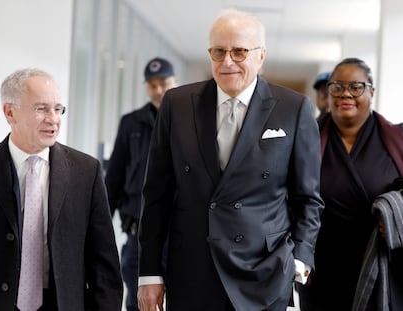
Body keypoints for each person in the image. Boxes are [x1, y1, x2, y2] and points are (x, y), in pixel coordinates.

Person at [137, 9, 324, 311]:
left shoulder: (294, 108)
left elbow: (308, 199)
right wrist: (148, 274)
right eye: (218, 51)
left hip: (265, 271)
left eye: (239, 52)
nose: (227, 62)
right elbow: (155, 195)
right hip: (192, 269)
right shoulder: (177, 104)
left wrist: (300, 260)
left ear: (261, 55)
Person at [0, 68, 123, 310]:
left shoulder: (86, 172)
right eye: (41, 109)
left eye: (58, 109)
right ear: (10, 112)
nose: (53, 119)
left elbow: (105, 267)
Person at [297, 58, 403, 311]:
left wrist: (394, 212)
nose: (346, 93)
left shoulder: (397, 139)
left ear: (371, 92)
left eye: (356, 87)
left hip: (379, 262)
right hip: (319, 265)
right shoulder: (305, 137)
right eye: (337, 86)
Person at [105, 57, 177, 311]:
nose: (158, 90)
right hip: (137, 236)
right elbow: (113, 177)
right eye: (152, 85)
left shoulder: (189, 121)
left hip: (177, 236)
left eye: (163, 83)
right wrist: (99, 229)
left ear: (175, 82)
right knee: (138, 303)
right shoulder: (131, 123)